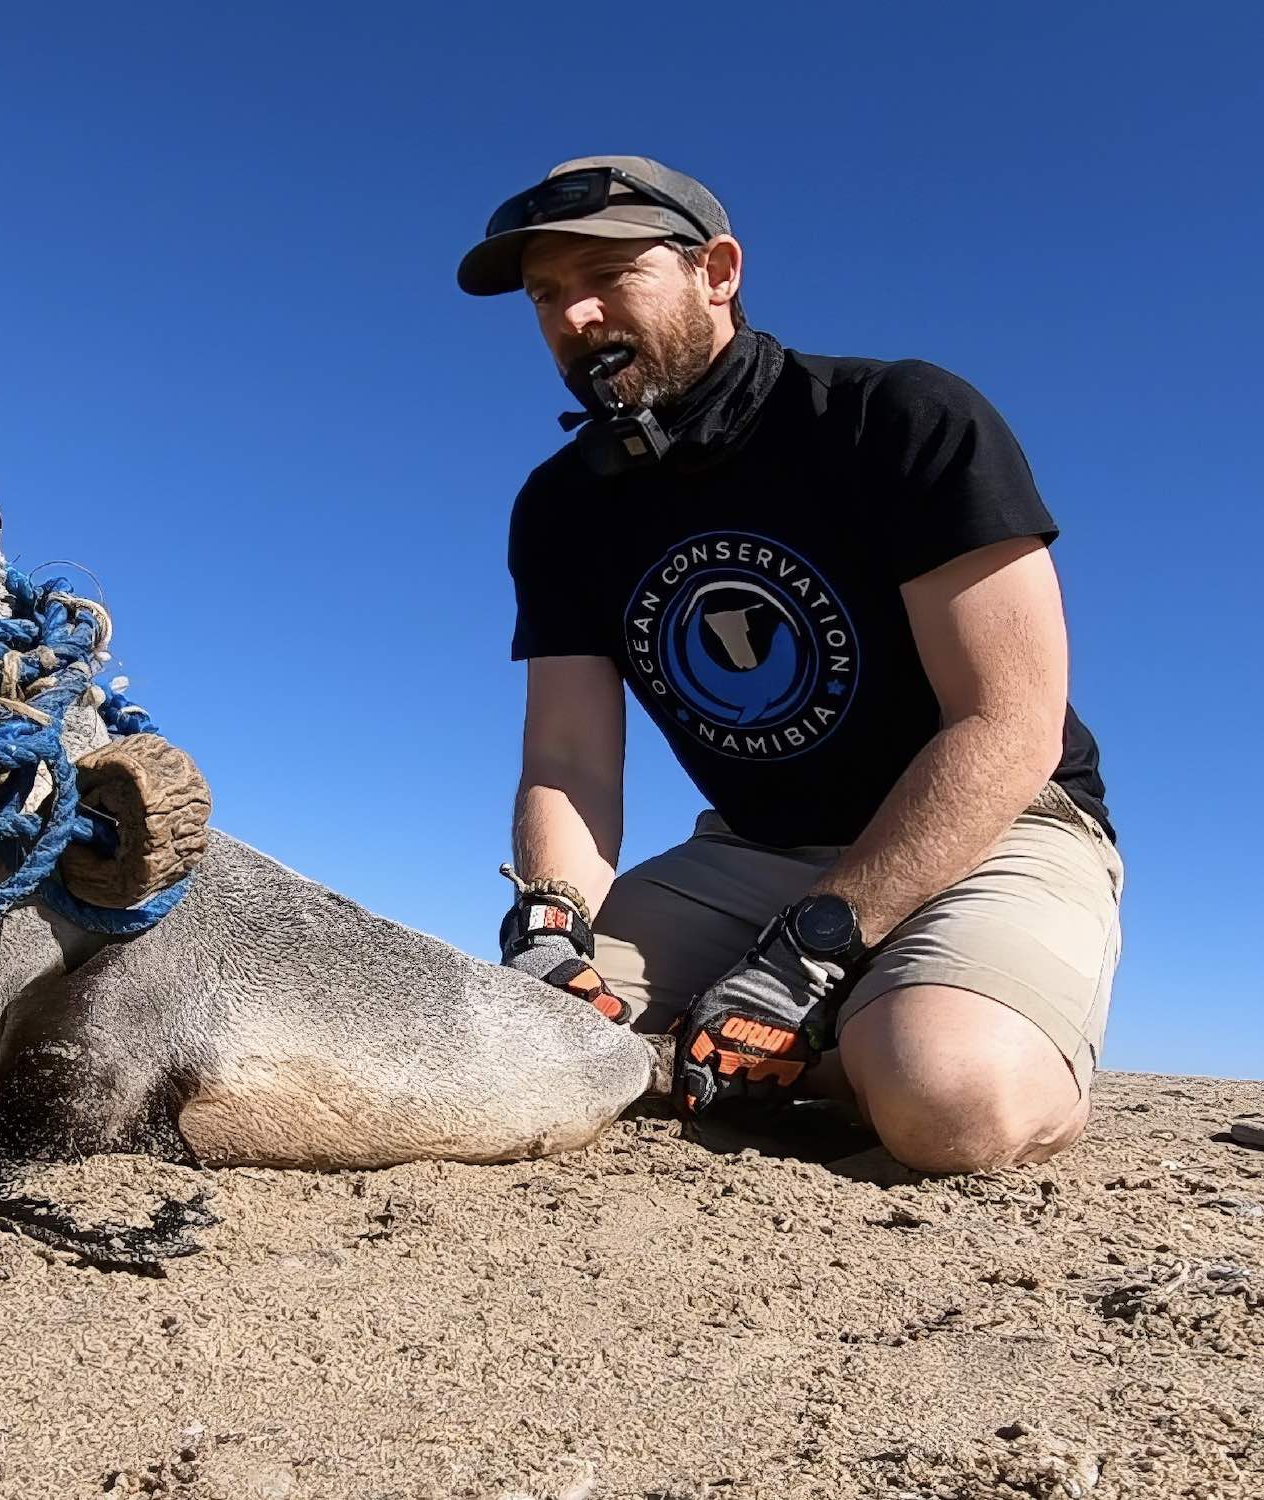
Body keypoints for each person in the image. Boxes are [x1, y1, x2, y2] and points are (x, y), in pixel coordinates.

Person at [460, 156, 1123, 1173]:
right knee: (511, 1040)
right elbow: (566, 759)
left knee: (948, 1097)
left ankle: (924, 1025)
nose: (573, 316)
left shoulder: (897, 419)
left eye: (607, 274)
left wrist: (808, 951)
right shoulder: (559, 508)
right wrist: (550, 922)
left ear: (715, 271)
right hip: (752, 848)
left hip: (995, 824)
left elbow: (1007, 725)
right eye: (546, 294)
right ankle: (839, 1027)